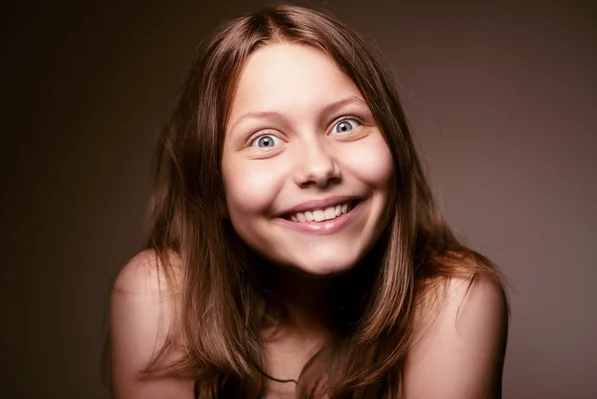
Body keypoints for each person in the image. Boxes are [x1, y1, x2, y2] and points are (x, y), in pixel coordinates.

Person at [108, 4, 509, 399]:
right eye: (265, 140)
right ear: (212, 187)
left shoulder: (454, 301)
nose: (319, 168)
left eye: (345, 124)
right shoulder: (158, 298)